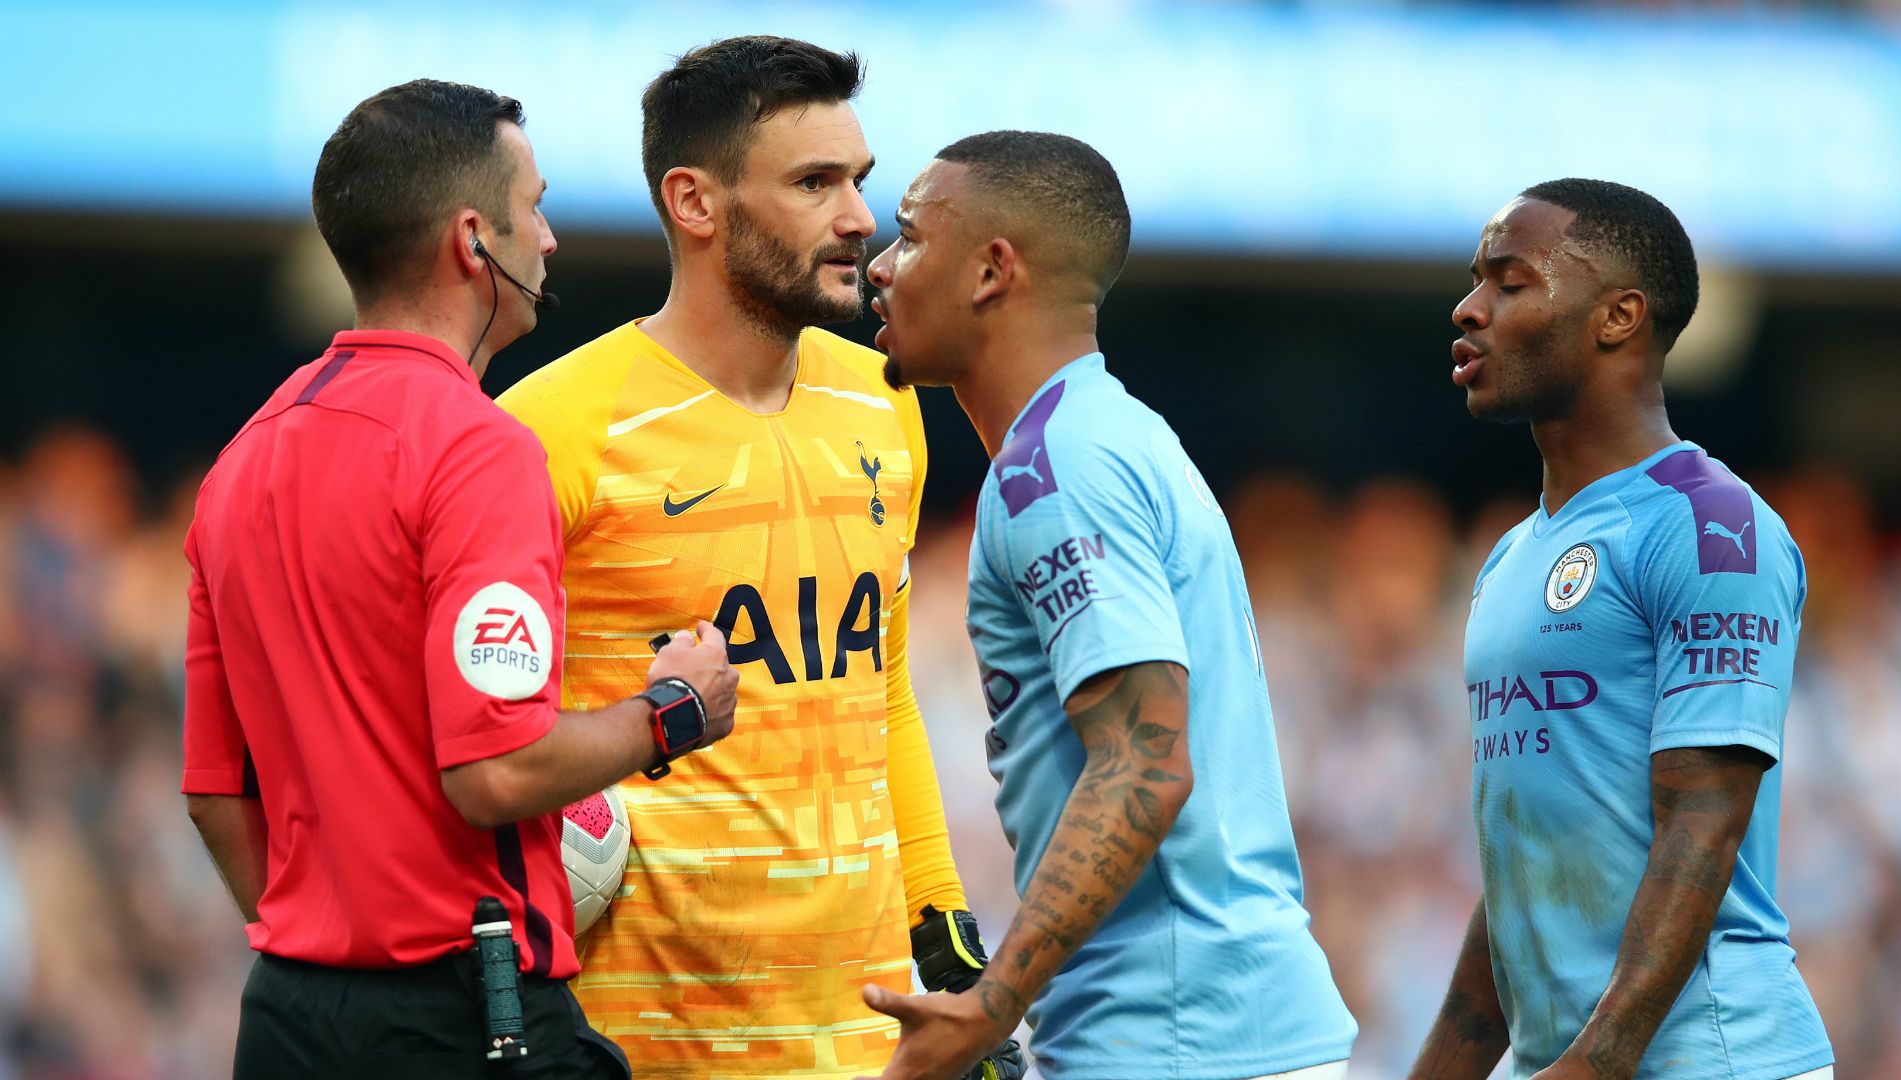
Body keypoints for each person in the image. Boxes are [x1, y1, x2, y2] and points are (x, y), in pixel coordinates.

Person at [180, 79, 739, 1079]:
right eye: (537, 208)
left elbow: (217, 795)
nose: (552, 240)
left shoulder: (240, 462)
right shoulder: (478, 449)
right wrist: (675, 711)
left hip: (285, 1020)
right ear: (473, 241)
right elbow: (498, 771)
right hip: (465, 1014)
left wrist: (325, 953)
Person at [498, 37, 1017, 1078]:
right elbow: (490, 739)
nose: (861, 220)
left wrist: (943, 930)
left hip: (867, 1035)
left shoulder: (884, 400)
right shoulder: (549, 431)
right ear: (694, 202)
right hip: (643, 1042)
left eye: (859, 183)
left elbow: (883, 696)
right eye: (815, 183)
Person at [858, 130, 1358, 1080]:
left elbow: (1145, 760)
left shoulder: (1059, 470)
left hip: (1181, 1041)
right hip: (1213, 1029)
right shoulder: (1112, 431)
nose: (881, 268)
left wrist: (989, 1001)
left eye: (911, 237)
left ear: (991, 271)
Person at [1408, 180, 1834, 1080]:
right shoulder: (1512, 557)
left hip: (1714, 1059)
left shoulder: (1711, 525)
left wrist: (1597, 1064)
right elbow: (1520, 876)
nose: (1469, 308)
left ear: (1619, 317)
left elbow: (1703, 823)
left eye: (1509, 282)